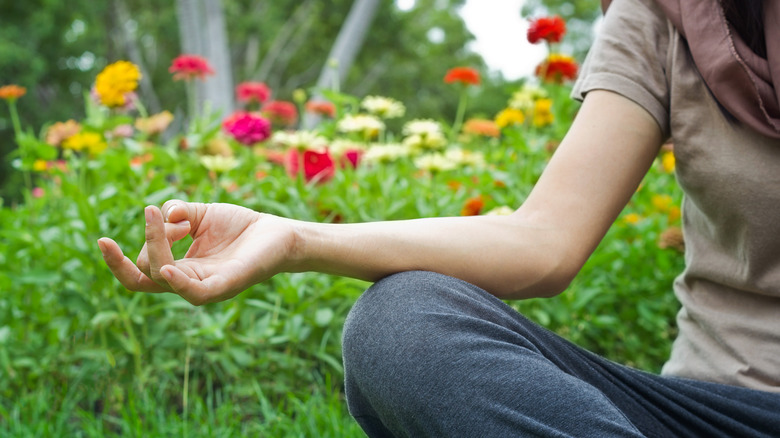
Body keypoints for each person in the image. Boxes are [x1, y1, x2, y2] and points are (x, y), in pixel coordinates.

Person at [97, 0, 780, 435]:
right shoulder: (670, 14)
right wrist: (294, 237)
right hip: (708, 412)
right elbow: (543, 240)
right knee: (404, 323)